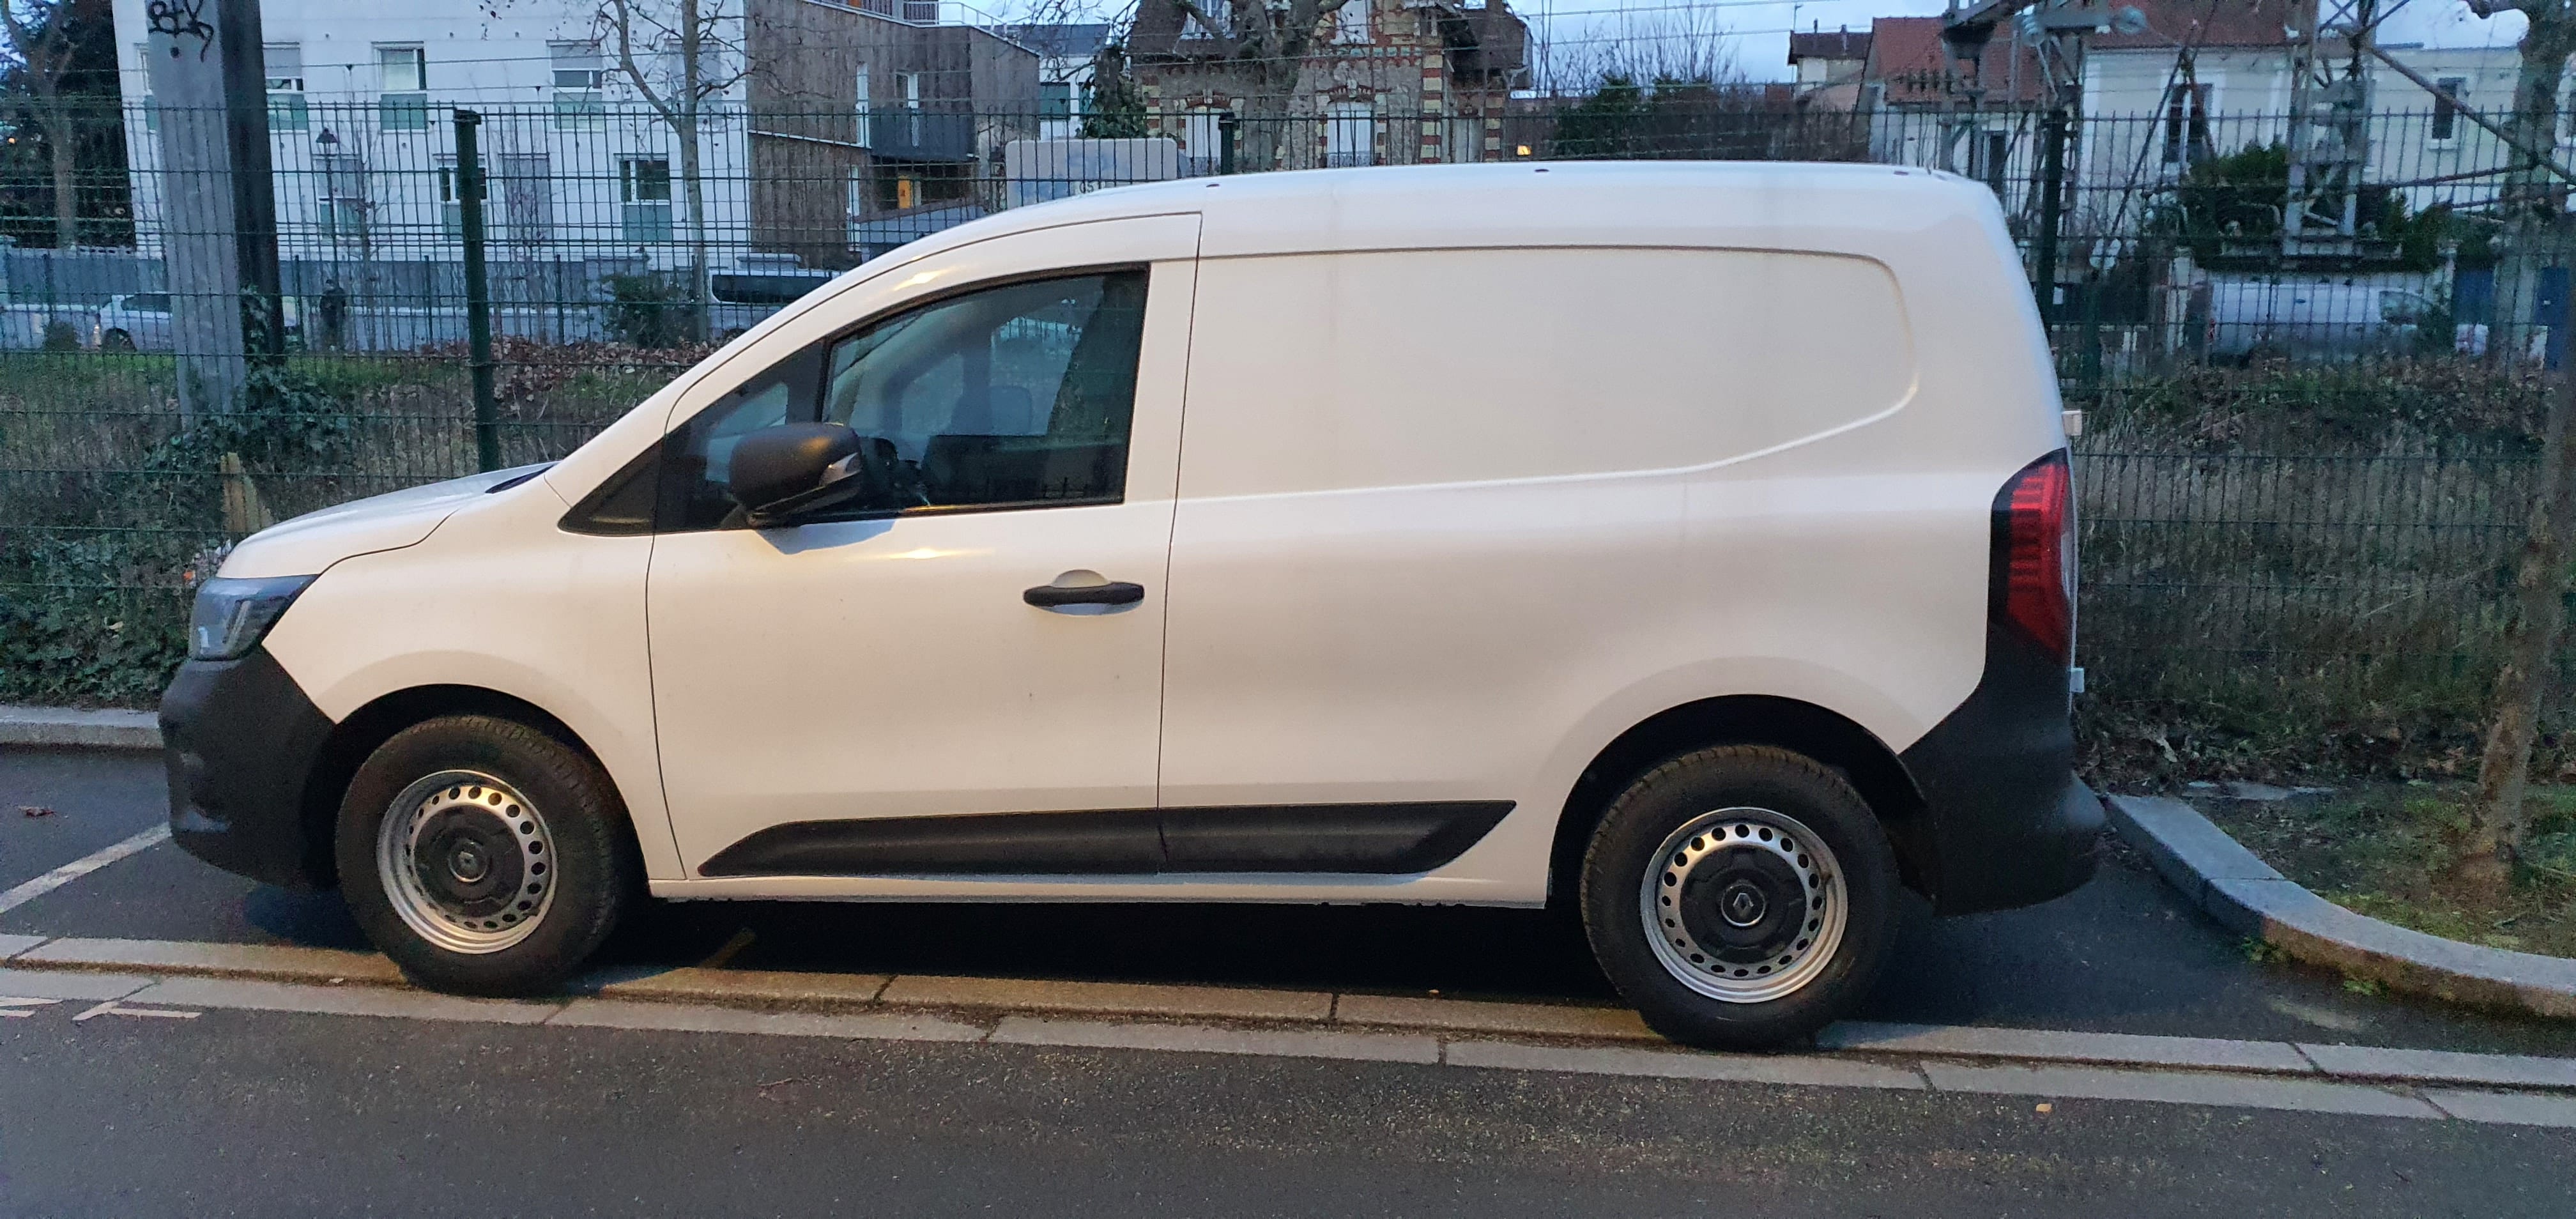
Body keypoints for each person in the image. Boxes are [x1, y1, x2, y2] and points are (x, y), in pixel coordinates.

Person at [318, 280, 349, 351]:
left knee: (338, 332)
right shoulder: (326, 294)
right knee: (327, 332)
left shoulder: (339, 292)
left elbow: (342, 303)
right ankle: (328, 347)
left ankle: (339, 347)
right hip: (327, 316)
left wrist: (332, 305)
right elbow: (322, 305)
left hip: (337, 316)